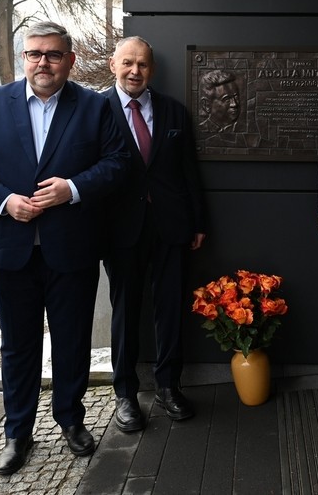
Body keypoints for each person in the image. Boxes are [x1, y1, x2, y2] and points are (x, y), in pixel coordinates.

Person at [0, 21, 128, 475]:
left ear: (70, 60)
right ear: (24, 57)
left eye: (53, 54)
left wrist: (71, 189)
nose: (43, 63)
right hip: (10, 247)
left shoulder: (94, 106)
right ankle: (17, 431)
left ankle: (71, 419)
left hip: (71, 245)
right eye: (34, 54)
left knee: (72, 340)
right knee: (18, 345)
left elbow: (118, 163)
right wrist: (4, 200)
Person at [102, 36, 208, 431]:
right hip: (120, 230)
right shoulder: (96, 110)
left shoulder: (174, 111)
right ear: (113, 65)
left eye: (142, 64)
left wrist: (198, 221)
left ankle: (168, 386)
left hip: (171, 226)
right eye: (128, 63)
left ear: (152, 69)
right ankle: (125, 394)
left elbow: (188, 170)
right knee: (125, 312)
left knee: (170, 309)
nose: (135, 71)